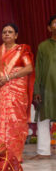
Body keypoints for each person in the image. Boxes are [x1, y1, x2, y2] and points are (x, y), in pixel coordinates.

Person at [0, 23, 35, 162]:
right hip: (1, 91)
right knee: (0, 120)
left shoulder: (21, 50)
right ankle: (0, 154)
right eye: (4, 32)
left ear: (16, 35)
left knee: (14, 122)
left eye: (10, 32)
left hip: (16, 92)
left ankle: (14, 155)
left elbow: (29, 68)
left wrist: (8, 77)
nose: (7, 34)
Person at [32, 15, 56, 160]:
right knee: (43, 119)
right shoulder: (43, 46)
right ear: (49, 28)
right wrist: (37, 91)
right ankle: (43, 151)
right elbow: (38, 70)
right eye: (55, 24)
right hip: (47, 88)